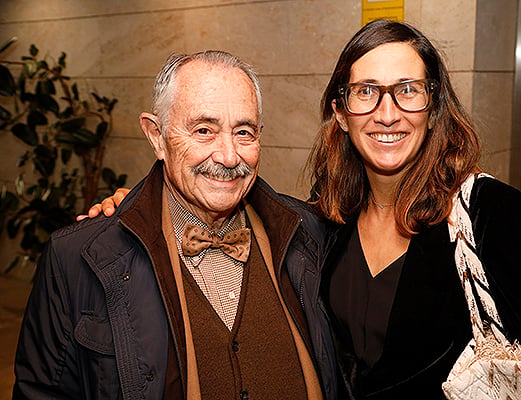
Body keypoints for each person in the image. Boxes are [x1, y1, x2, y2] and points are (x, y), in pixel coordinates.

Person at [80, 20, 521, 399]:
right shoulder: (323, 221)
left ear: (434, 104)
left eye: (408, 91)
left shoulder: (489, 212)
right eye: (367, 92)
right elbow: (222, 191)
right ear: (340, 111)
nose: (387, 113)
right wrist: (142, 207)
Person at [13, 50, 337, 400]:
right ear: (157, 137)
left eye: (243, 132)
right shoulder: (78, 258)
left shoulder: (309, 233)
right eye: (203, 130)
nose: (229, 156)